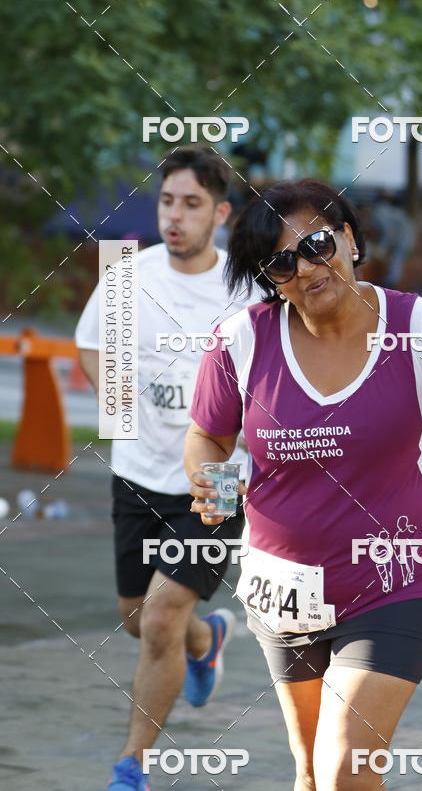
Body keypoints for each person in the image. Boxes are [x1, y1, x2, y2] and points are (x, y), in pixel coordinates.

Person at [184, 179, 422, 790]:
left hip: (396, 576)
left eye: (317, 244)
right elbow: (208, 437)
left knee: (346, 766)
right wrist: (213, 484)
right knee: (309, 770)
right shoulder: (242, 341)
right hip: (282, 585)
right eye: (280, 262)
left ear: (349, 237)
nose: (305, 268)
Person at [75, 145, 257, 791]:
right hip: (139, 471)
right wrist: (113, 395)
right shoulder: (130, 276)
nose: (174, 217)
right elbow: (92, 342)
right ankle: (207, 641)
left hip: (218, 478)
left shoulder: (247, 288)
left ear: (221, 213)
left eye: (192, 204)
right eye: (166, 202)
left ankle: (132, 765)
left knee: (158, 618)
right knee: (136, 618)